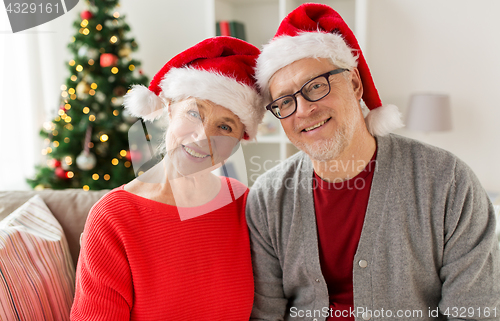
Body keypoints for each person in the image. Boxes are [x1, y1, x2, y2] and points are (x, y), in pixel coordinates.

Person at [246, 3, 500, 320]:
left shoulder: (447, 182)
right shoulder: (268, 198)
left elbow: (474, 310)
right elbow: (265, 314)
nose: (302, 110)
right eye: (284, 101)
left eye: (315, 86)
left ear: (354, 84)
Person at [70, 36, 265, 320]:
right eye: (194, 113)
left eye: (225, 126)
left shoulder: (243, 203)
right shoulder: (113, 217)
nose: (202, 137)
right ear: (170, 108)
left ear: (237, 141)